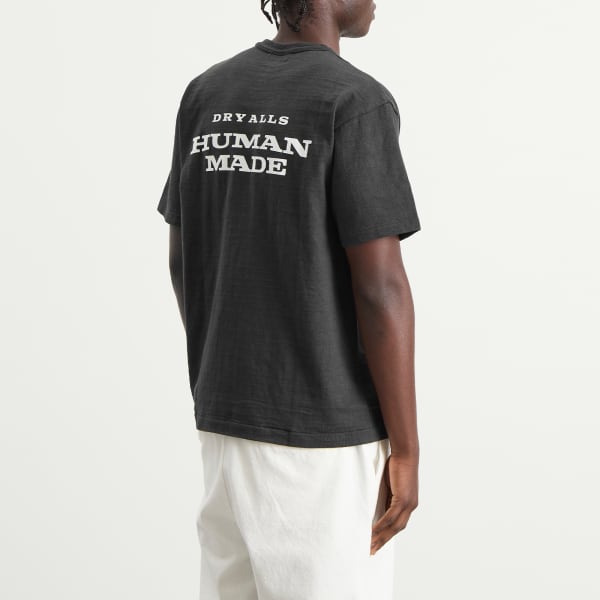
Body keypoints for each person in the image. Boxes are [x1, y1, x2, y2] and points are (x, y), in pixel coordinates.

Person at [156, 1, 421, 598]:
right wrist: (405, 449)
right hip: (323, 439)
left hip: (225, 428)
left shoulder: (207, 93)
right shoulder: (354, 101)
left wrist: (221, 378)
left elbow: (181, 258)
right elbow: (381, 288)